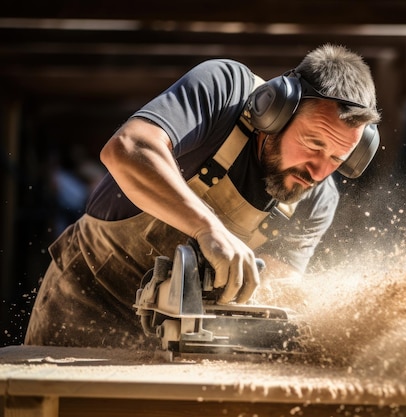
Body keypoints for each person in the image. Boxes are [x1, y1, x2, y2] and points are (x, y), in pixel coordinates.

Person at [25, 43, 381, 348]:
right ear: (275, 111)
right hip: (87, 300)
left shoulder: (318, 200)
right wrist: (208, 228)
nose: (318, 171)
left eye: (337, 158)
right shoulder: (223, 90)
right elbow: (128, 148)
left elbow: (274, 290)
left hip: (182, 340)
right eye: (313, 144)